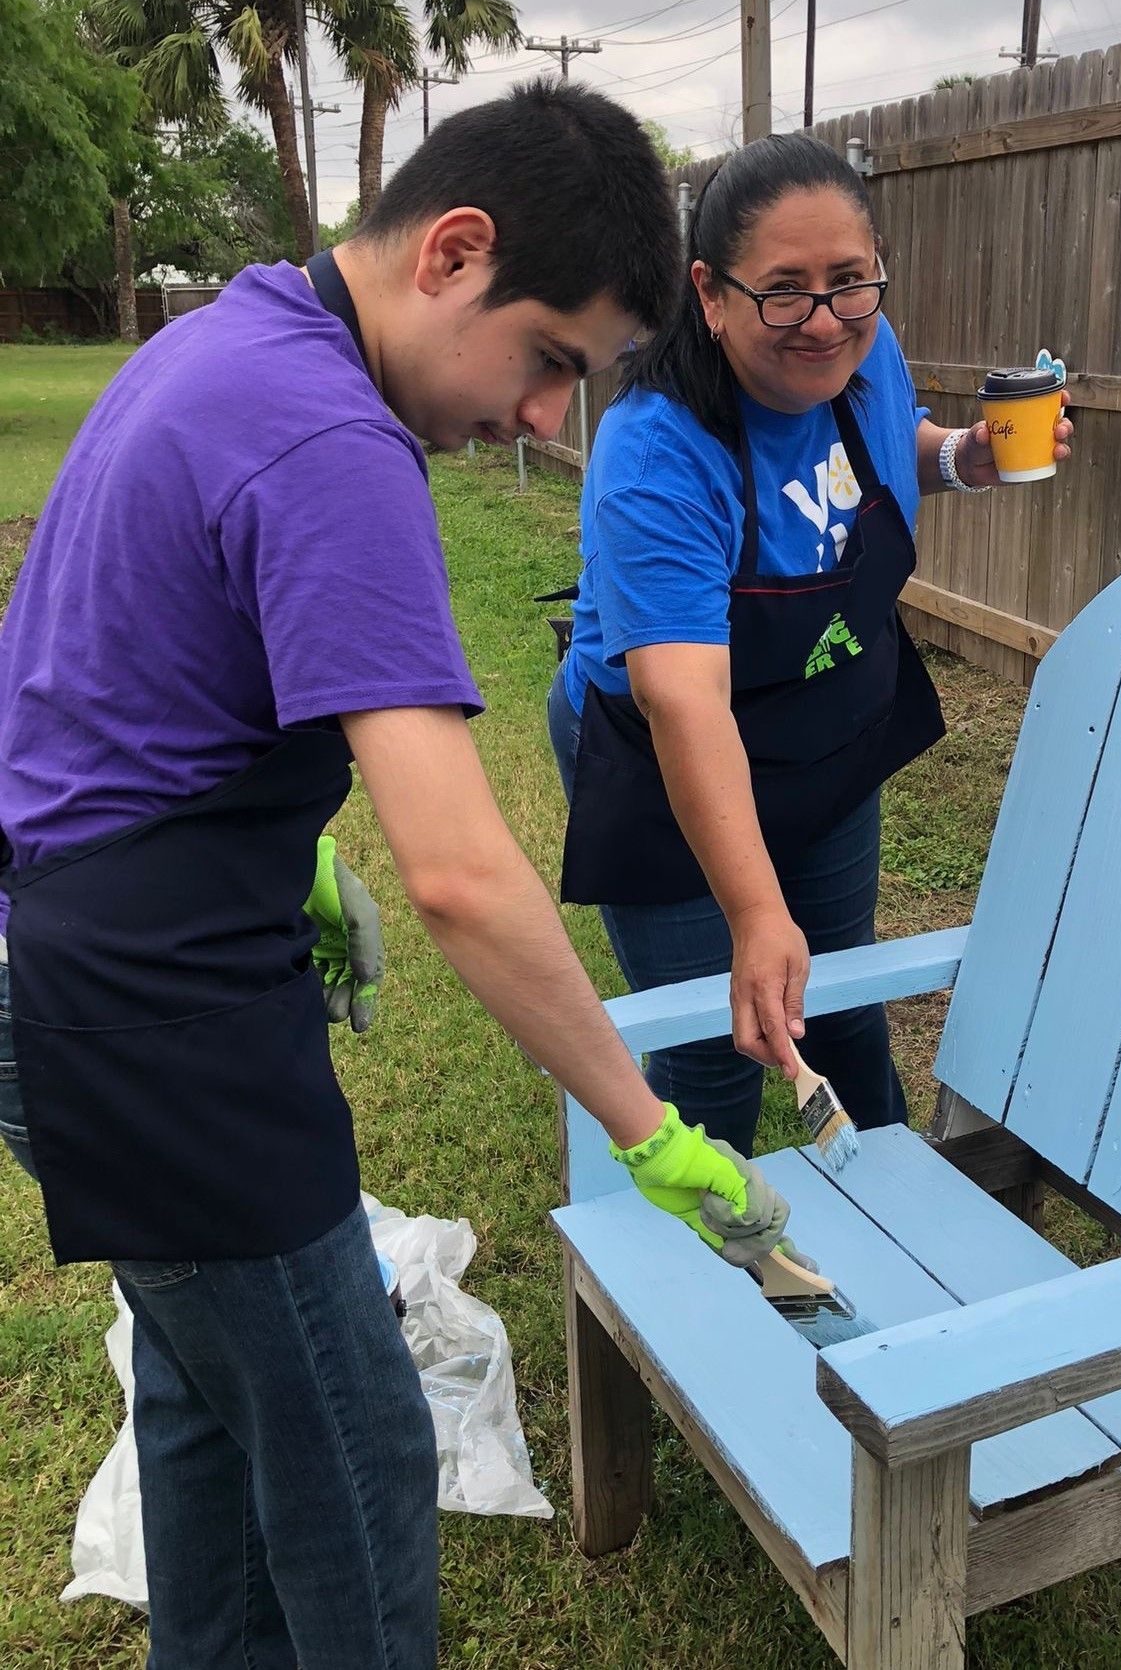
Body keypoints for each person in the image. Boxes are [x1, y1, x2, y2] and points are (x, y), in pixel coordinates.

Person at [0, 81, 791, 1670]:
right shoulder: (328, 435)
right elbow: (460, 876)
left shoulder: (229, 341)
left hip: (67, 972)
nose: (547, 420)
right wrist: (652, 1136)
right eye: (553, 362)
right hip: (155, 1017)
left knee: (212, 1420)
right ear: (454, 251)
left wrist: (280, 854)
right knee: (353, 1445)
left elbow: (106, 662)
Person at [548, 132, 1072, 1159]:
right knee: (716, 1039)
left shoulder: (867, 355)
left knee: (839, 999)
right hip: (667, 763)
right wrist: (752, 910)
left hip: (826, 734)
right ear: (709, 291)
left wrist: (968, 457)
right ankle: (706, 1281)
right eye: (784, 292)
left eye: (850, 282)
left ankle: (895, 1220)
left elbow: (883, 456)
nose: (824, 321)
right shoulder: (657, 448)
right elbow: (684, 703)